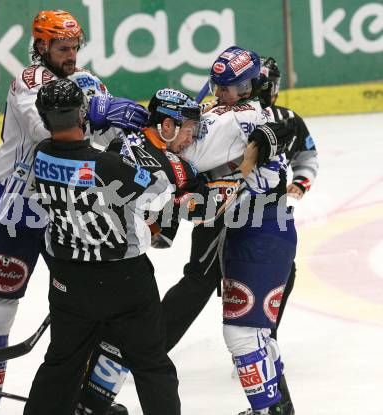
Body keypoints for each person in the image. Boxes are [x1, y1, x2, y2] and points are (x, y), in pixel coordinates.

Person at [24, 80, 247, 415]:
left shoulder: (41, 155)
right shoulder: (108, 166)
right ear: (81, 115)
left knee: (60, 365)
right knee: (151, 365)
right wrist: (141, 149)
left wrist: (126, 140)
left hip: (67, 281)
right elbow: (159, 193)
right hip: (123, 281)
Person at [77, 77, 297, 414]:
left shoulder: (134, 142)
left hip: (86, 251)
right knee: (145, 346)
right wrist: (238, 178)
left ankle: (88, 403)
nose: (193, 138)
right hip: (120, 261)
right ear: (167, 124)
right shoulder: (162, 165)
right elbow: (198, 208)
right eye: (189, 130)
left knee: (113, 335)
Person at [0, 9, 148, 414]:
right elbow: (46, 131)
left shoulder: (86, 82)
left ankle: (84, 400)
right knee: (0, 303)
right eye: (62, 48)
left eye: (74, 47)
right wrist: (97, 113)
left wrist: (132, 136)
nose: (71, 55)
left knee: (94, 303)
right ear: (41, 46)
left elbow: (104, 138)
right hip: (16, 208)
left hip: (67, 208)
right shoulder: (29, 82)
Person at [258, 56, 319, 341]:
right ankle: (147, 350)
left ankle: (264, 337)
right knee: (200, 282)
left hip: (268, 214)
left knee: (284, 271)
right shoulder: (223, 119)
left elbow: (306, 156)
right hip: (223, 214)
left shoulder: (289, 120)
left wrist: (300, 182)